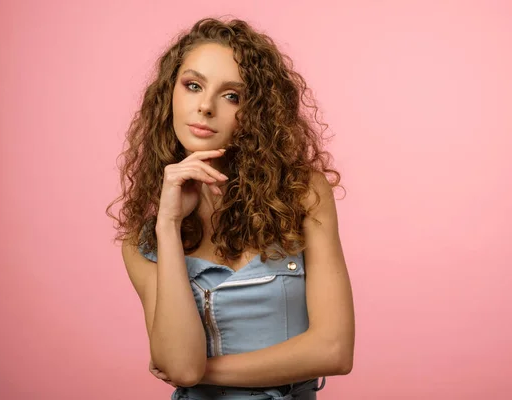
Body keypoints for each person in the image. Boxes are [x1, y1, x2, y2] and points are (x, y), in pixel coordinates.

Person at [106, 17, 355, 400]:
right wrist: (169, 226)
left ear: (257, 112)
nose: (205, 106)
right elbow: (180, 365)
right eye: (193, 86)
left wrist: (202, 375)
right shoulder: (144, 240)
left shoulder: (303, 194)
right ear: (168, 95)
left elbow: (334, 351)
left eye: (231, 95)